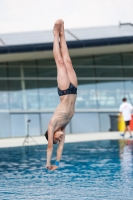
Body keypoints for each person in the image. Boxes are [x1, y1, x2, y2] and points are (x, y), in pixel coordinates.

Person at [44, 19, 78, 170]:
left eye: (56, 140)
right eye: (58, 140)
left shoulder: (52, 125)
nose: (59, 140)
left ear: (52, 136)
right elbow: (60, 149)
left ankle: (55, 35)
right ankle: (62, 34)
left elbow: (50, 148)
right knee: (68, 61)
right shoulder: (63, 128)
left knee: (59, 61)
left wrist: (48, 163)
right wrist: (57, 164)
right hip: (74, 90)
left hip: (64, 91)